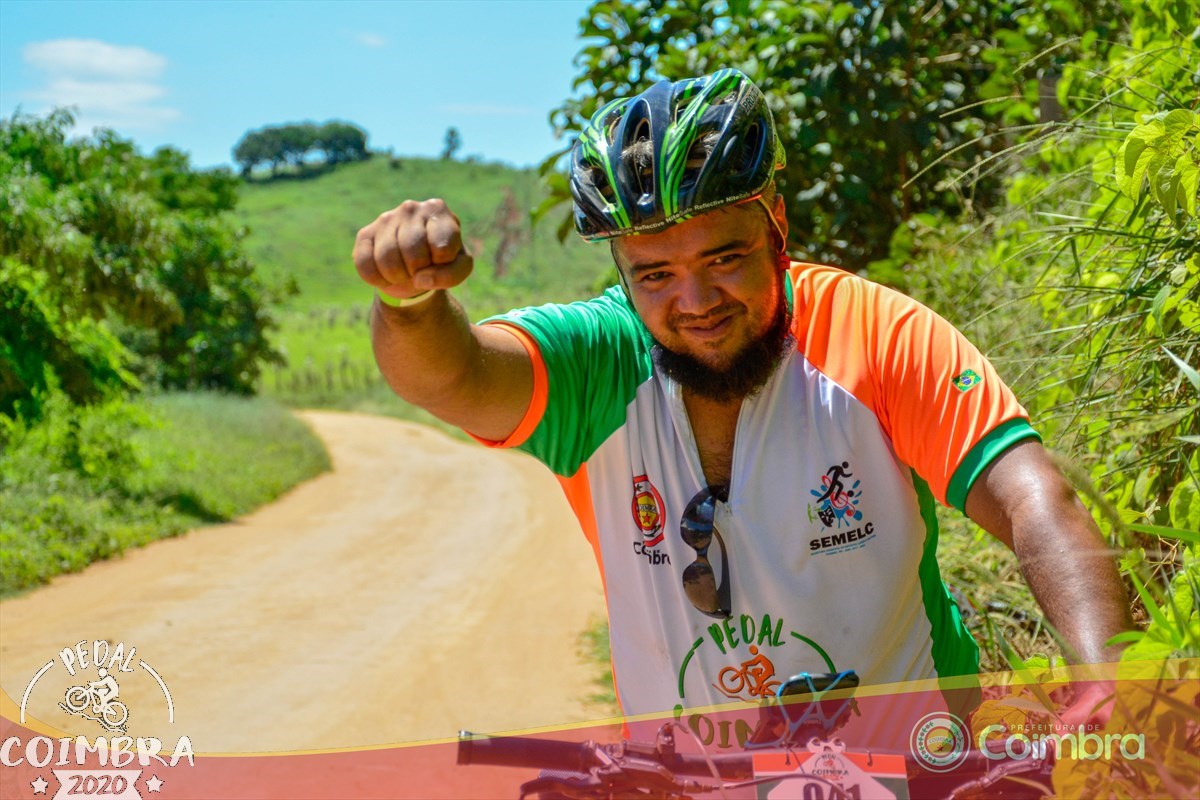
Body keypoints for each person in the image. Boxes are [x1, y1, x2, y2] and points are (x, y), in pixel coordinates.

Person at [353, 69, 1131, 725]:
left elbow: (1031, 500)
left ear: (776, 228)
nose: (696, 302)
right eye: (654, 273)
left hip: (924, 767)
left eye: (723, 257)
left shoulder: (874, 333)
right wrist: (410, 304)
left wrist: (1109, 697)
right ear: (620, 270)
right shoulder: (597, 363)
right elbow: (451, 374)